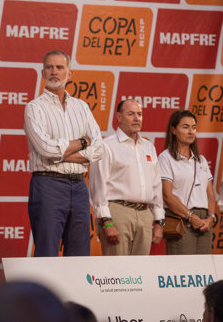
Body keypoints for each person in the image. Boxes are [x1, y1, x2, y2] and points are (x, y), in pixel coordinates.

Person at [24, 50, 103, 257]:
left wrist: (59, 154)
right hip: (48, 185)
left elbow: (99, 149)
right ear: (42, 72)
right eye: (49, 67)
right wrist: (82, 142)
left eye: (60, 67)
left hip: (79, 186)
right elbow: (45, 149)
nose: (54, 72)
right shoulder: (34, 108)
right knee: (47, 254)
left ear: (70, 73)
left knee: (79, 255)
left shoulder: (82, 107)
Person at [89, 99, 164, 255]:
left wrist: (158, 221)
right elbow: (98, 186)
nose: (136, 118)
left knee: (140, 268)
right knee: (117, 268)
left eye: (139, 114)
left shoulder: (148, 147)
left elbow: (156, 186)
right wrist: (106, 221)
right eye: (131, 114)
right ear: (119, 117)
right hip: (117, 212)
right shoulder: (107, 146)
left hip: (145, 214)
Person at [158, 110, 217, 255]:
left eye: (194, 127)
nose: (191, 131)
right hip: (181, 219)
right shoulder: (166, 158)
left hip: (204, 222)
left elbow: (210, 193)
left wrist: (211, 217)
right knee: (182, 266)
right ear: (173, 130)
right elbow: (167, 196)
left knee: (203, 267)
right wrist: (190, 216)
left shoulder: (201, 159)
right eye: (185, 127)